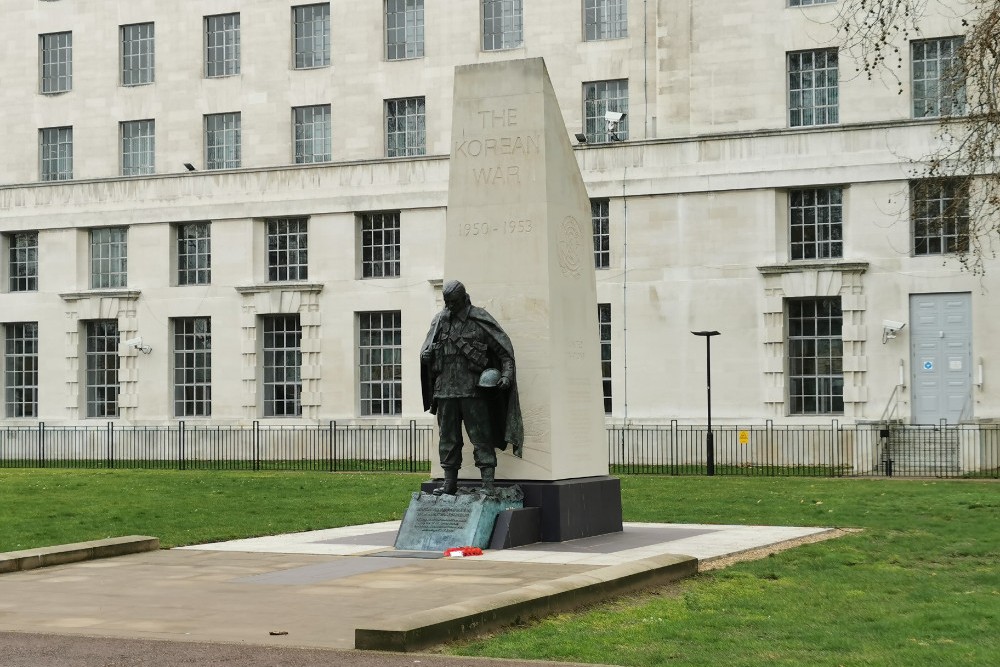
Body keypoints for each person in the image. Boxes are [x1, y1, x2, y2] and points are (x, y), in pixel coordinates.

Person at [420, 280, 523, 494]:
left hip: (473, 391)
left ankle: (487, 484)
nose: (450, 306)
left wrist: (506, 376)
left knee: (481, 437)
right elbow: (427, 351)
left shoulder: (479, 320)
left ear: (465, 298)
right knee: (447, 438)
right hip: (445, 391)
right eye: (447, 302)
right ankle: (449, 483)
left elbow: (505, 353)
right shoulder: (440, 321)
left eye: (454, 302)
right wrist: (425, 356)